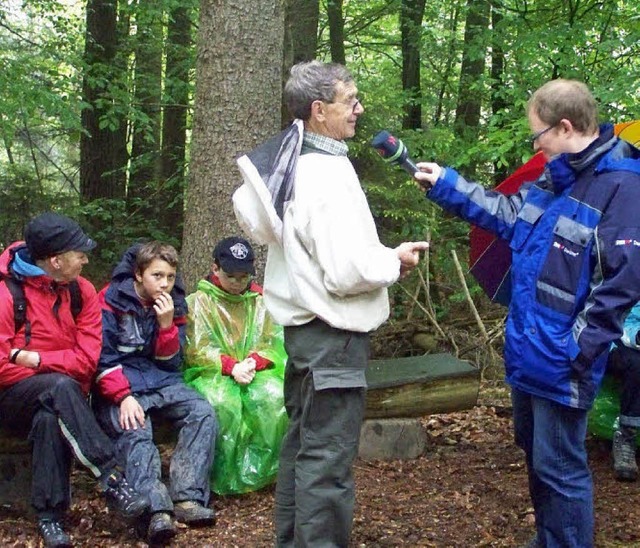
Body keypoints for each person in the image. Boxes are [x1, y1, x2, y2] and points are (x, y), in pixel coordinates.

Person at [414, 79, 640, 548]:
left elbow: (619, 284)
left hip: (562, 359)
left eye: (537, 135)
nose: (535, 146)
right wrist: (447, 184)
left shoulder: (622, 187)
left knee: (561, 467)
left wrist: (576, 348)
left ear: (563, 127)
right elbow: (505, 213)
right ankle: (549, 537)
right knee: (538, 459)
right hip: (526, 350)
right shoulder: (551, 179)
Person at [233, 60, 429, 547]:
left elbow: (322, 257)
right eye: (351, 100)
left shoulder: (294, 163)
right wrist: (394, 260)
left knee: (303, 451)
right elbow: (345, 272)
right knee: (327, 465)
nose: (359, 109)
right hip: (332, 339)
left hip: (305, 337)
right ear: (319, 110)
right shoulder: (325, 173)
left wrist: (378, 258)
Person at [0, 212, 149, 548]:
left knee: (51, 414)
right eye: (79, 253)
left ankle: (50, 519)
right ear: (56, 260)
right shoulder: (7, 293)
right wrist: (51, 372)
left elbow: (86, 363)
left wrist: (36, 359)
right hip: (10, 398)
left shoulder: (82, 292)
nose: (85, 259)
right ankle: (112, 477)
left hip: (61, 399)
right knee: (59, 387)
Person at [93, 241, 217, 545]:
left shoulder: (174, 302)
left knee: (202, 413)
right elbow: (99, 358)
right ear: (138, 275)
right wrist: (122, 396)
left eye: (170, 276)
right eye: (157, 276)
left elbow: (171, 362)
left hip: (161, 381)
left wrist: (166, 326)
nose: (164, 283)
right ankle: (154, 509)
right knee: (136, 427)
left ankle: (187, 497)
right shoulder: (110, 300)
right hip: (119, 385)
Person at [183, 236, 288, 495]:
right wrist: (230, 366)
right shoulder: (197, 302)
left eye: (243, 277)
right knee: (221, 404)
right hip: (212, 373)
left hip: (254, 371)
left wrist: (255, 361)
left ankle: (260, 474)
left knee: (273, 399)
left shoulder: (259, 300)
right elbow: (196, 349)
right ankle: (220, 476)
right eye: (231, 276)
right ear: (215, 268)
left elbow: (274, 340)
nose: (237, 283)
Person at [605, 301, 640, 481]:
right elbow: (619, 320)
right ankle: (627, 435)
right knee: (636, 366)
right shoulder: (630, 276)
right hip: (615, 342)